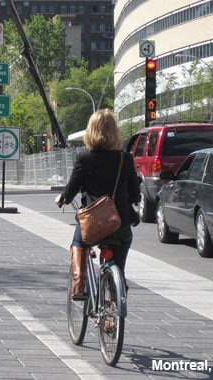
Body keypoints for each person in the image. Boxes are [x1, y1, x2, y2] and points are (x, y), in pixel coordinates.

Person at [55, 109, 139, 299]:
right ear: (115, 132)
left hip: (93, 225)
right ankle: (116, 301)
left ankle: (78, 284)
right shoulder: (125, 159)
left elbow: (72, 189)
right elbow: (135, 194)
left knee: (78, 242)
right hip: (119, 224)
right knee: (119, 265)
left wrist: (63, 199)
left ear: (90, 131)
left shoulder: (84, 158)